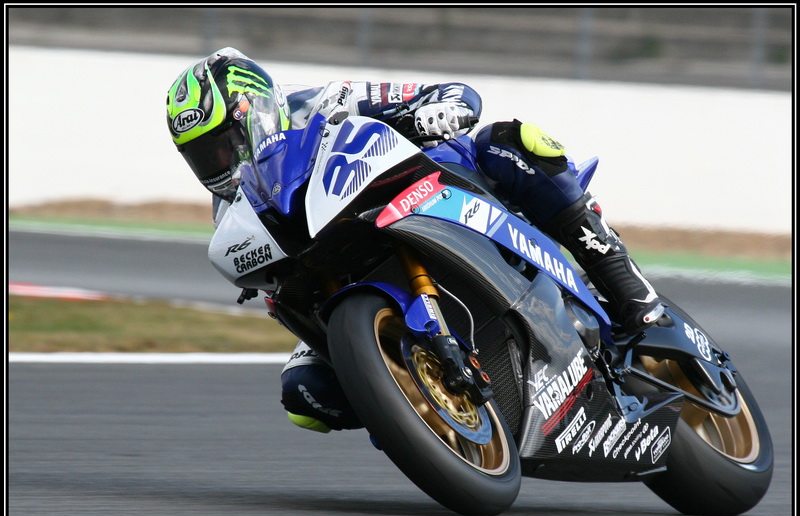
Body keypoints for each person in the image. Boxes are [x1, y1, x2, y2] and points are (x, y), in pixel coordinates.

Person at [166, 47, 665, 434]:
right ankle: (426, 419)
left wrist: (432, 114)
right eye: (204, 157)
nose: (221, 164)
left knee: (514, 142)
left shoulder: (326, 101)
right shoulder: (233, 210)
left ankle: (626, 285)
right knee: (305, 396)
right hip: (350, 269)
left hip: (436, 190)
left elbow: (457, 94)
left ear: (254, 109)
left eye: (226, 143)